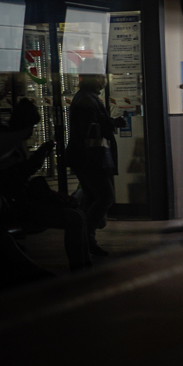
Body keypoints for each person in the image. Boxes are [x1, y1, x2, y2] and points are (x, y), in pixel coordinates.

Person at [0, 98, 91, 272]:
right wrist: (38, 157)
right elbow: (14, 178)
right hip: (19, 206)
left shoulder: (11, 145)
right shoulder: (6, 147)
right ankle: (80, 267)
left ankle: (83, 266)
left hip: (20, 203)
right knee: (75, 218)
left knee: (78, 216)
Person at [64, 57, 124, 257]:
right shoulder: (86, 100)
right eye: (99, 75)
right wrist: (112, 124)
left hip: (87, 158)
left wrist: (111, 122)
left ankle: (85, 239)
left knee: (92, 197)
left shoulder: (87, 97)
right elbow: (87, 131)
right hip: (90, 159)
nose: (103, 79)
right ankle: (86, 237)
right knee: (105, 197)